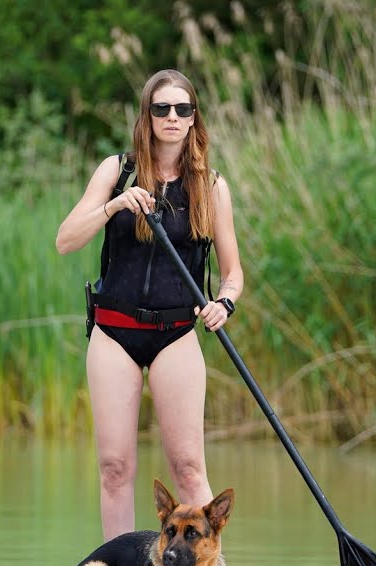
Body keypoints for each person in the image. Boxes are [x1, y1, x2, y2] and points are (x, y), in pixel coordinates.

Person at [55, 69, 244, 541]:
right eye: (162, 108)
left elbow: (233, 274)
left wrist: (225, 302)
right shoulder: (115, 170)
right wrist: (115, 206)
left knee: (187, 468)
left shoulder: (212, 186)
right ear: (147, 116)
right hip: (114, 332)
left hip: (176, 334)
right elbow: (65, 241)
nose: (173, 117)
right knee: (115, 467)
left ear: (194, 117)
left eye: (183, 109)